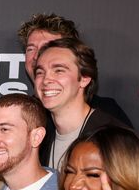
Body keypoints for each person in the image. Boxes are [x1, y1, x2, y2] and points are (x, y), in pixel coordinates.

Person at [16, 12, 132, 128]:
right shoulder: (18, 113)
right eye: (31, 49)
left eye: (48, 48)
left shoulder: (107, 115)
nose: (38, 56)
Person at [33, 38, 129, 169]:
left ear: (84, 79)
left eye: (59, 70)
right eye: (40, 72)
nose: (46, 80)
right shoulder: (38, 136)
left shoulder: (117, 140)